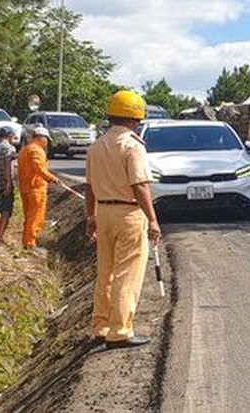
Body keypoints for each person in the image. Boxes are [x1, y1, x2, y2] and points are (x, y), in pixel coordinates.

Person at [85, 90, 161, 350]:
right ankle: (119, 331)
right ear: (136, 118)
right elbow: (139, 185)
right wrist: (152, 219)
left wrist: (90, 216)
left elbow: (89, 187)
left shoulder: (96, 146)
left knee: (105, 272)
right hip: (128, 214)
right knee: (127, 274)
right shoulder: (132, 145)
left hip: (104, 212)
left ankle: (101, 326)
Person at [17, 127, 60, 253]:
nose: (47, 143)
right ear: (42, 138)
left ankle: (26, 242)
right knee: (36, 217)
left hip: (25, 188)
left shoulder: (24, 150)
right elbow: (39, 168)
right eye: (47, 139)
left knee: (29, 217)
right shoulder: (37, 150)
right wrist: (52, 178)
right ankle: (30, 244)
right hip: (36, 188)